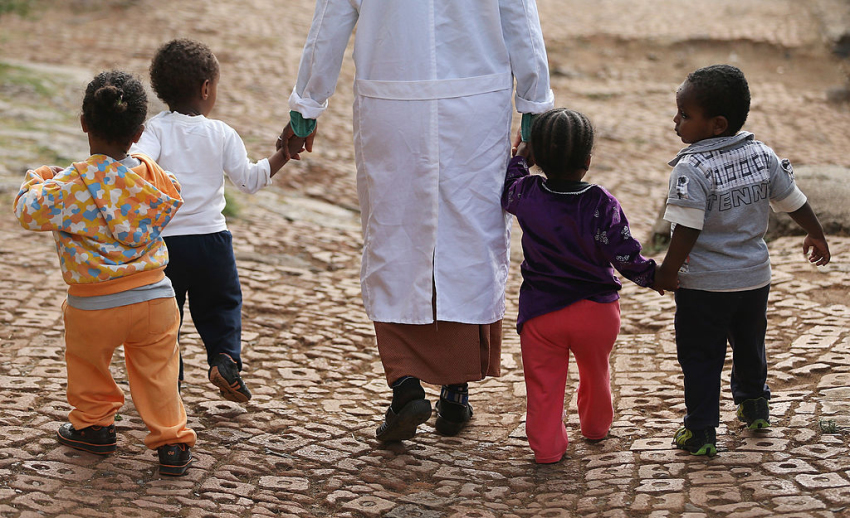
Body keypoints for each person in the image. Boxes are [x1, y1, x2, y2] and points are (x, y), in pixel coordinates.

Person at [277, 0, 555, 441]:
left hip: (392, 107)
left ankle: (405, 386)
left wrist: (306, 108)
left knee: (394, 235)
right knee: (470, 234)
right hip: (476, 108)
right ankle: (455, 390)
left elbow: (329, 23)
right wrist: (535, 106)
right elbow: (519, 16)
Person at [13, 70, 196, 476]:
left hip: (93, 305)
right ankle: (172, 443)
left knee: (88, 365)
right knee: (160, 373)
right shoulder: (149, 174)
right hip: (155, 298)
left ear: (84, 124)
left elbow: (28, 211)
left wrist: (37, 179)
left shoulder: (71, 184)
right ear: (139, 132)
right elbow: (175, 192)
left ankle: (94, 427)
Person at [655, 64, 831, 456]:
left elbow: (687, 228)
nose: (675, 122)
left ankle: (700, 431)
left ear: (717, 124)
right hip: (753, 280)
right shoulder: (761, 154)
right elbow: (792, 200)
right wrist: (815, 232)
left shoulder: (691, 167)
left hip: (704, 286)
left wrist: (668, 270)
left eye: (684, 115)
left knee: (701, 356)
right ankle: (755, 407)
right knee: (750, 344)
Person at [132, 39, 294, 403]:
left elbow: (139, 168)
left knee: (162, 317)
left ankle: (167, 380)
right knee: (222, 306)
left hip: (165, 245)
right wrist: (282, 153)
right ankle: (224, 359)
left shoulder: (153, 131)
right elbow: (251, 180)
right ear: (207, 88)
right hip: (212, 242)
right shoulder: (222, 133)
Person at [502, 108, 658, 463]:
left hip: (542, 313)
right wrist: (653, 276)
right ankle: (595, 427)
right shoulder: (601, 203)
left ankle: (547, 448)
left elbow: (507, 191)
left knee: (543, 386)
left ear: (538, 158)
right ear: (587, 160)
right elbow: (624, 254)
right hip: (597, 313)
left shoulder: (527, 193)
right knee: (596, 371)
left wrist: (520, 159)